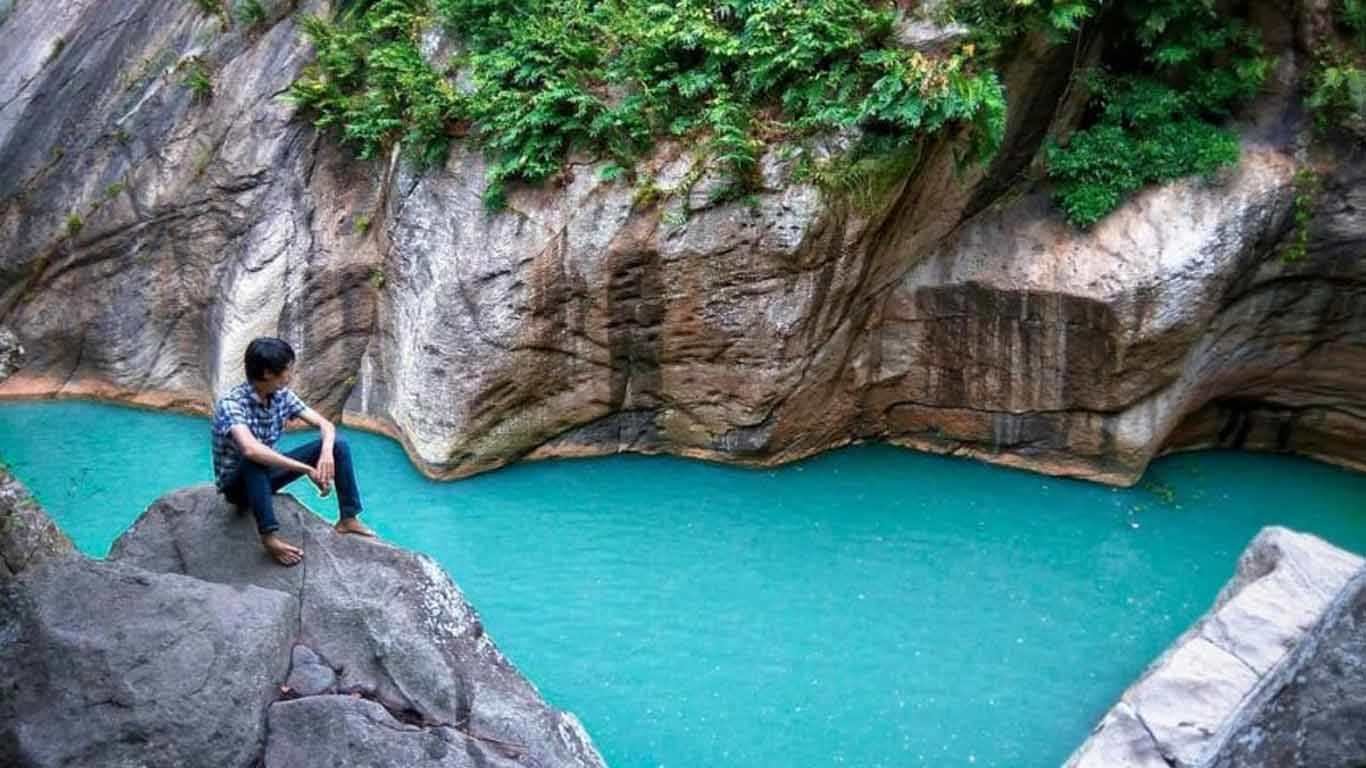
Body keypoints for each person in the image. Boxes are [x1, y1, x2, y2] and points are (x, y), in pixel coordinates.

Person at [211, 336, 374, 565]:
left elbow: (325, 425)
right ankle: (269, 537)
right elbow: (250, 449)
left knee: (339, 444)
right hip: (238, 487)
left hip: (266, 475)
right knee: (255, 458)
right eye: (288, 369)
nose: (291, 374)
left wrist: (326, 454)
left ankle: (348, 517)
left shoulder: (282, 396)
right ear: (267, 373)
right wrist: (307, 469)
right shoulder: (232, 404)